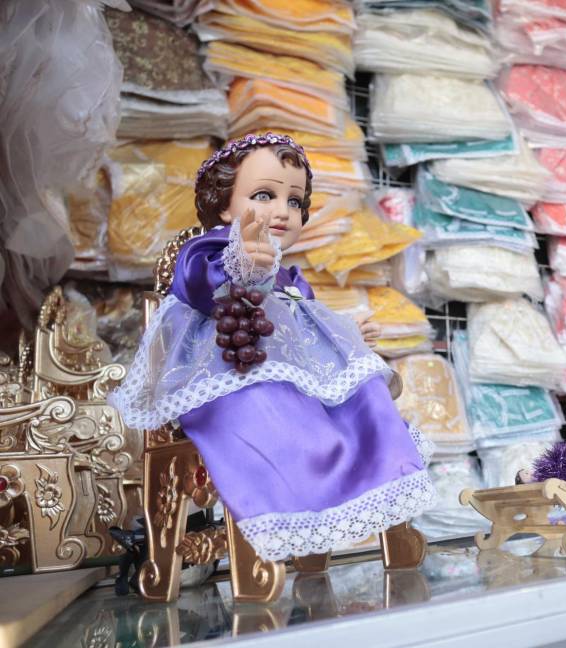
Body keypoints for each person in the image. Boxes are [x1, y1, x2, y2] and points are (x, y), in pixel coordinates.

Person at [109, 133, 436, 562]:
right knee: (269, 408)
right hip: (229, 375)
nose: (283, 211)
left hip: (282, 373)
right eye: (264, 195)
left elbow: (306, 324)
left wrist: (345, 332)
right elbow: (198, 286)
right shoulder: (206, 250)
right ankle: (288, 513)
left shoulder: (290, 278)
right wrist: (242, 263)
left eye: (295, 201)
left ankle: (373, 483)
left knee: (362, 391)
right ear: (225, 205)